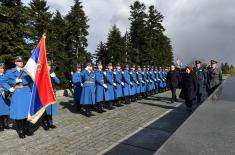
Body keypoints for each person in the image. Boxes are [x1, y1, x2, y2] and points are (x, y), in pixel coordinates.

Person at [4, 56, 33, 138]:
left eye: (22, 61)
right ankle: (20, 130)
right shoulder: (10, 72)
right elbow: (2, 81)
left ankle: (26, 129)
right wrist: (10, 87)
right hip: (17, 93)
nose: (21, 62)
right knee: (19, 113)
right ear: (15, 62)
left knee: (27, 112)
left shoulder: (26, 70)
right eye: (19, 61)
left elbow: (32, 80)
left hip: (27, 92)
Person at [42, 62, 60, 130]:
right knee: (44, 109)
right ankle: (45, 123)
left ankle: (50, 123)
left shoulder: (52, 73)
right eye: (47, 65)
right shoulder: (42, 74)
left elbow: (58, 82)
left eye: (49, 65)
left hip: (51, 94)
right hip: (44, 94)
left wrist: (54, 76)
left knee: (51, 109)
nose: (49, 67)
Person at [0, 63, 12, 131]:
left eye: (3, 68)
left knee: (6, 109)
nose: (2, 69)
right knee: (0, 110)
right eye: (1, 68)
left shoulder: (6, 76)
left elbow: (9, 84)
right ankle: (1, 125)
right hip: (0, 95)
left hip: (6, 94)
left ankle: (6, 123)